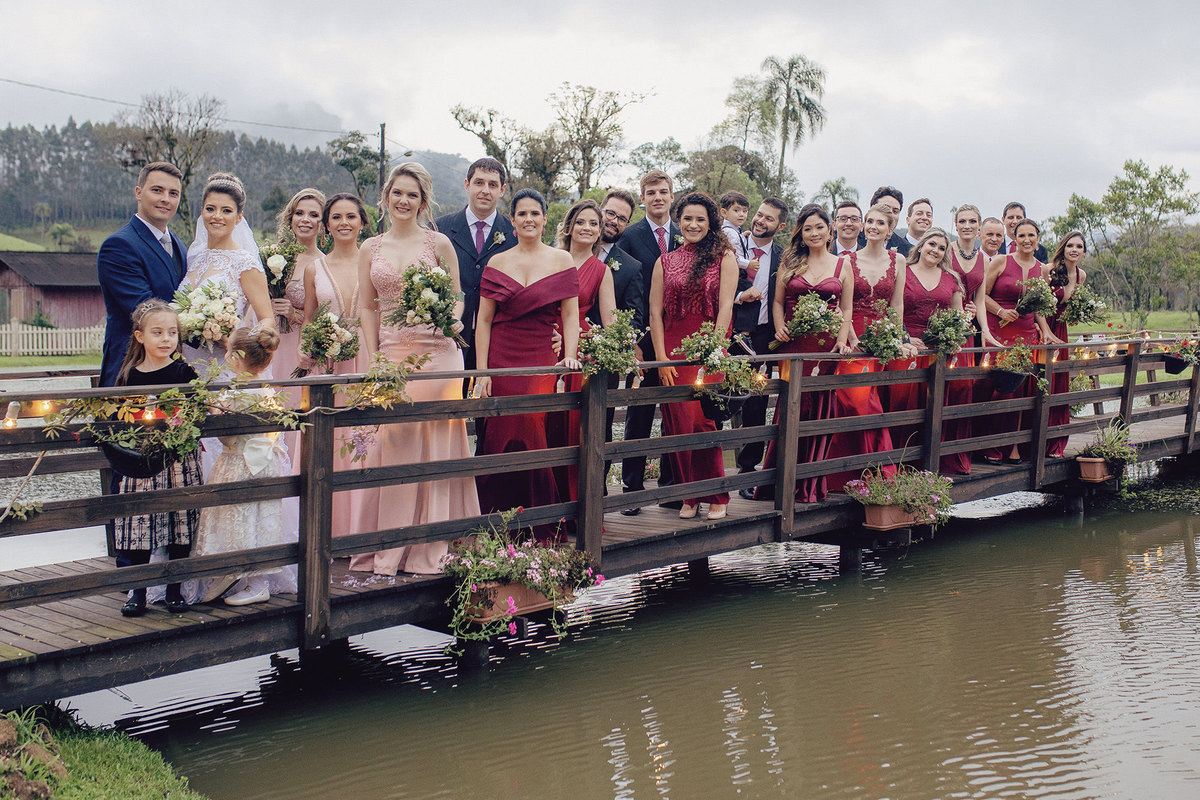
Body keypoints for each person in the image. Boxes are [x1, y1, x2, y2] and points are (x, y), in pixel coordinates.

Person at [353, 163, 480, 574]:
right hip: (391, 355)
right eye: (397, 193)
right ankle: (390, 544)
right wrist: (374, 357)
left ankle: (433, 542)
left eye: (412, 195)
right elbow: (367, 307)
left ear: (423, 201)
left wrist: (453, 319)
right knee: (393, 444)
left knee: (437, 440)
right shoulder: (369, 248)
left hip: (438, 353)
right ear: (386, 197)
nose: (403, 201)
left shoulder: (438, 243)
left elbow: (457, 294)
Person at [474, 188, 581, 541]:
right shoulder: (497, 262)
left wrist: (569, 353)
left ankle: (539, 520)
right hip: (502, 356)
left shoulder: (562, 259)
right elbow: (484, 321)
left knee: (531, 426)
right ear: (513, 220)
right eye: (522, 213)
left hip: (539, 355)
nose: (529, 219)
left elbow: (570, 315)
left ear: (545, 218)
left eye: (535, 213)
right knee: (499, 430)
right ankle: (496, 522)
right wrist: (483, 372)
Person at [185, 325, 296, 606]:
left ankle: (254, 583)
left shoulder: (236, 395)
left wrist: (214, 411)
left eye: (228, 352)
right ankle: (245, 578)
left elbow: (229, 437)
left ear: (235, 357)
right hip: (263, 463)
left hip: (241, 463)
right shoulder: (266, 390)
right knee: (259, 519)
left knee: (240, 518)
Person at [179, 173, 277, 479]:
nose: (217, 216)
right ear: (201, 211)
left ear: (239, 216)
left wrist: (234, 338)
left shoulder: (245, 262)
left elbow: (267, 319)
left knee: (223, 450)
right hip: (188, 366)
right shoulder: (194, 256)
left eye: (226, 210)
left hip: (225, 366)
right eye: (210, 208)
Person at [757, 204, 853, 504]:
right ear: (801, 232)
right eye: (808, 228)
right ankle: (779, 481)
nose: (814, 233)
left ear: (829, 230)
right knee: (791, 407)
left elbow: (846, 308)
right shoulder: (790, 261)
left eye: (819, 227)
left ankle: (810, 481)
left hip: (825, 348)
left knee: (820, 406)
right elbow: (777, 302)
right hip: (794, 344)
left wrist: (841, 340)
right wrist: (780, 327)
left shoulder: (843, 265)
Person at [650, 192, 738, 520]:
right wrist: (661, 358)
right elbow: (655, 313)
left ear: (711, 222)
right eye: (687, 218)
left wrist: (714, 350)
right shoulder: (665, 261)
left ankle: (717, 495)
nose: (693, 224)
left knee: (703, 422)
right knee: (678, 425)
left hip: (708, 351)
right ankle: (689, 496)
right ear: (679, 221)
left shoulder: (725, 258)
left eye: (700, 219)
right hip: (672, 352)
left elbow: (726, 307)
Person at [112, 299, 202, 617]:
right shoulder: (129, 376)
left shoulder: (184, 372)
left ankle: (174, 590)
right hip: (142, 461)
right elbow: (119, 417)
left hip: (178, 459)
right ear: (140, 336)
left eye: (172, 332)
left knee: (180, 523)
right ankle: (138, 592)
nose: (166, 339)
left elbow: (197, 411)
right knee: (140, 524)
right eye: (158, 332)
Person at [298, 193, 371, 540]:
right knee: (327, 443)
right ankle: (327, 529)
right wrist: (307, 351)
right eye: (336, 217)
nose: (344, 223)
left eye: (351, 217)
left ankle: (361, 529)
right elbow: (308, 319)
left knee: (364, 440)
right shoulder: (315, 268)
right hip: (327, 365)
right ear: (326, 224)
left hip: (365, 360)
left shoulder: (373, 263)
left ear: (362, 223)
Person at [823, 203, 903, 490]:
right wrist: (851, 337)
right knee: (857, 402)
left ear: (890, 230)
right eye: (869, 221)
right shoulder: (847, 260)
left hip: (882, 340)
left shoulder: (898, 260)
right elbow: (841, 305)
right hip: (851, 339)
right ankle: (877, 471)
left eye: (880, 223)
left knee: (871, 399)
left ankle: (864, 474)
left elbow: (896, 304)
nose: (873, 227)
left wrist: (895, 338)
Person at [618, 170, 682, 513]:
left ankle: (671, 487)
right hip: (642, 341)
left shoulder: (687, 233)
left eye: (663, 191)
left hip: (678, 341)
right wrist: (631, 341)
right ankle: (632, 489)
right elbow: (623, 292)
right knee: (639, 415)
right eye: (651, 192)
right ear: (642, 198)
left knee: (675, 412)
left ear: (672, 195)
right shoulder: (629, 237)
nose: (658, 197)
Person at [885, 229, 969, 472]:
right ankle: (895, 462)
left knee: (933, 406)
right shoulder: (904, 271)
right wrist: (904, 337)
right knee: (901, 404)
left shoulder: (951, 278)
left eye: (942, 248)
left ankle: (929, 464)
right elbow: (892, 308)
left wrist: (952, 338)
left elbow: (958, 316)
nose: (936, 250)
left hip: (937, 352)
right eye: (932, 244)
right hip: (907, 348)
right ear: (921, 245)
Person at [550, 199, 617, 503]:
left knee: (575, 429)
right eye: (580, 222)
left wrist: (585, 338)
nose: (586, 228)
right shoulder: (550, 260)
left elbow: (611, 326)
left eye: (593, 223)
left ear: (600, 231)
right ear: (569, 226)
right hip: (545, 344)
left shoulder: (602, 271)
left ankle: (575, 503)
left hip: (581, 354)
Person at [98, 162, 187, 387]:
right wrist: (203, 323)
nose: (166, 199)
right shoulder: (118, 246)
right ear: (138, 192)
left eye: (173, 193)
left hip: (173, 370)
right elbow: (145, 309)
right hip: (132, 371)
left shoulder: (180, 246)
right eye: (157, 190)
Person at [979, 218, 1055, 464]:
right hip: (999, 331)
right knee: (998, 388)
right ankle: (990, 445)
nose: (1026, 240)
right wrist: (1001, 311)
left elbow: (1039, 307)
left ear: (1038, 238)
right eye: (1021, 235)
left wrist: (1045, 330)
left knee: (1022, 389)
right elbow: (982, 297)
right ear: (1014, 239)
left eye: (1031, 235)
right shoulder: (1001, 261)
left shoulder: (1042, 269)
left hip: (1026, 334)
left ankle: (1013, 446)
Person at [433, 157, 517, 372]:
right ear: (467, 185)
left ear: (502, 190)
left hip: (499, 340)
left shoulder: (514, 234)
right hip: (447, 338)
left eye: (493, 185)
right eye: (479, 183)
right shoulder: (439, 229)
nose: (485, 190)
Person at [732, 197, 788, 491]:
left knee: (756, 402)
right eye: (759, 214)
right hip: (729, 334)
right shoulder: (733, 244)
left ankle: (747, 470)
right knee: (719, 399)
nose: (760, 221)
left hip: (763, 337)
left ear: (780, 226)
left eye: (769, 218)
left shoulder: (784, 257)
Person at [271, 188, 326, 384]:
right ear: (290, 218)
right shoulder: (273, 257)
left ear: (323, 223)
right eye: (299, 213)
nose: (305, 220)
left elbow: (323, 318)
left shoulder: (324, 265)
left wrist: (293, 314)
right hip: (270, 340)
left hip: (300, 344)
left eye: (314, 215)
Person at [1045, 231, 1088, 458]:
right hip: (1044, 328)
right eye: (1070, 245)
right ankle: (1033, 442)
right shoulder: (1049, 270)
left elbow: (1071, 310)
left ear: (1083, 251)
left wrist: (1081, 312)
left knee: (1059, 384)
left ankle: (1055, 442)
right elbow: (1037, 305)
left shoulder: (1081, 275)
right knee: (1042, 382)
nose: (1074, 250)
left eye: (1079, 246)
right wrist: (1045, 331)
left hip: (1061, 330)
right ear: (1063, 248)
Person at [857, 186, 910, 254]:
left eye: (895, 211)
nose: (890, 214)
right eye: (885, 208)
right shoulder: (854, 239)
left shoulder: (907, 249)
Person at [719, 190, 751, 266]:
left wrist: (742, 236)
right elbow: (734, 257)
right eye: (736, 210)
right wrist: (748, 264)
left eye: (745, 211)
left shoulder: (731, 231)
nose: (741, 214)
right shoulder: (730, 233)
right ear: (724, 212)